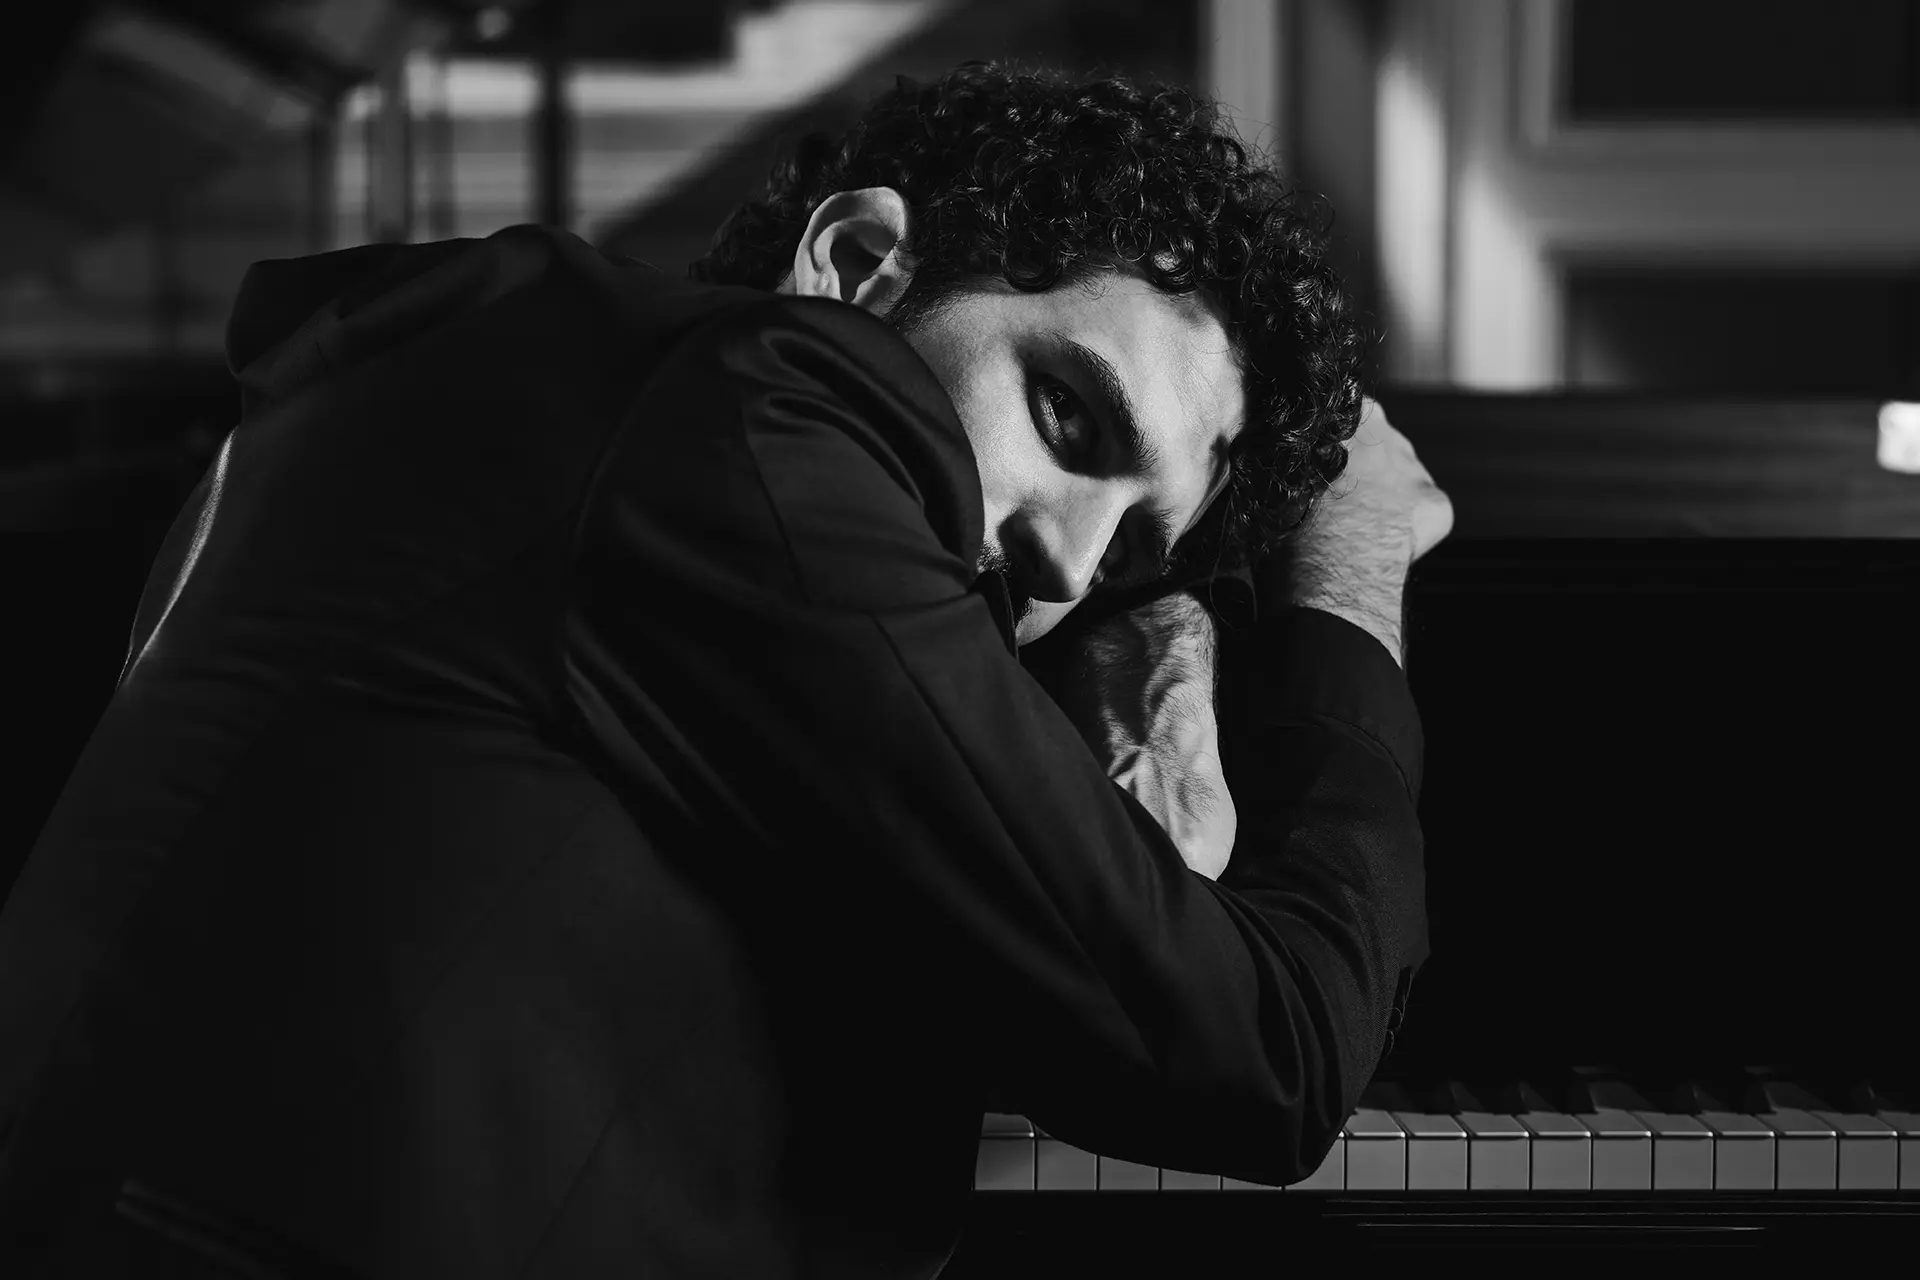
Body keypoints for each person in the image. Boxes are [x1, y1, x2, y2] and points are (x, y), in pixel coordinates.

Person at [0, 62, 1450, 1279]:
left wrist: (1169, 656)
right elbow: (1266, 1053)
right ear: (856, 262)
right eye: (1067, 414)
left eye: (1135, 547)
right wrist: (1352, 567)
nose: (1074, 565)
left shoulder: (547, 396)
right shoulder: (758, 417)